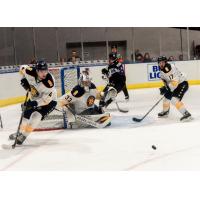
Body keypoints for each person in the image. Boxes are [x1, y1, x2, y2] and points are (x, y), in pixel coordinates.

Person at [9, 60, 57, 144]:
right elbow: (22, 68)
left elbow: (45, 100)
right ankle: (19, 132)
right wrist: (23, 79)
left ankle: (24, 135)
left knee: (36, 116)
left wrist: (33, 104)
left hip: (49, 101)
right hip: (34, 97)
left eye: (45, 71)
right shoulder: (29, 71)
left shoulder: (49, 83)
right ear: (36, 70)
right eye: (41, 71)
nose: (44, 74)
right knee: (26, 114)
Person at [157, 56, 192, 122]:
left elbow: (175, 83)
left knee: (174, 99)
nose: (161, 64)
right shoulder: (162, 71)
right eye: (159, 63)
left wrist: (166, 88)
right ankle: (165, 112)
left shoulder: (170, 68)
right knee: (166, 98)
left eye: (162, 62)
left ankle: (186, 114)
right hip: (174, 86)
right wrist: (165, 88)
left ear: (165, 62)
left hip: (182, 84)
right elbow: (167, 82)